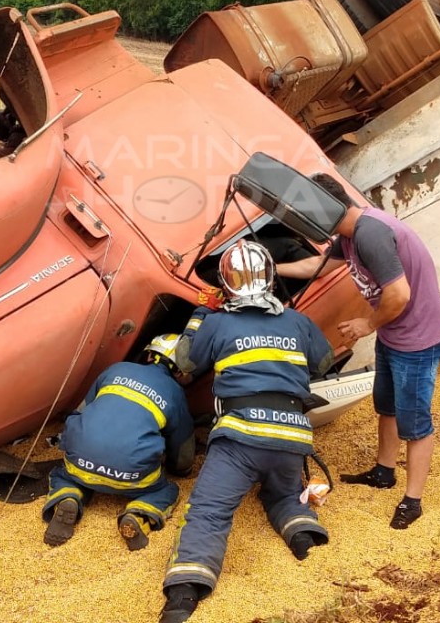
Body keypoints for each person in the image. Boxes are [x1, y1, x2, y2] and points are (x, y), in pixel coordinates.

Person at [159, 240, 335, 623]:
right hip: (292, 438)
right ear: (272, 279)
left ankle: (185, 593)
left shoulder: (218, 321)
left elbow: (186, 361)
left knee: (209, 512)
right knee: (282, 491)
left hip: (239, 439)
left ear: (225, 284)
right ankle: (303, 533)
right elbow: (323, 363)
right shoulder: (298, 321)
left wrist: (199, 314)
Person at [276, 173, 440, 531]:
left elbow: (399, 295)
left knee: (415, 423)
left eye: (312, 213)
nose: (310, 223)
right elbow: (316, 266)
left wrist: (366, 325)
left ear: (329, 207)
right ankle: (384, 472)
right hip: (394, 334)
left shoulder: (370, 233)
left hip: (417, 340)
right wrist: (269, 269)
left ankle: (412, 501)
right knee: (386, 405)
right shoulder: (348, 235)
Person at [42, 334, 196, 551]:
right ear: (180, 371)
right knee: (165, 491)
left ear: (148, 354)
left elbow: (81, 410)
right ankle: (138, 514)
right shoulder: (175, 392)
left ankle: (68, 496)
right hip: (130, 476)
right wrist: (182, 470)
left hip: (79, 462)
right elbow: (182, 449)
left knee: (63, 475)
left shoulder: (115, 369)